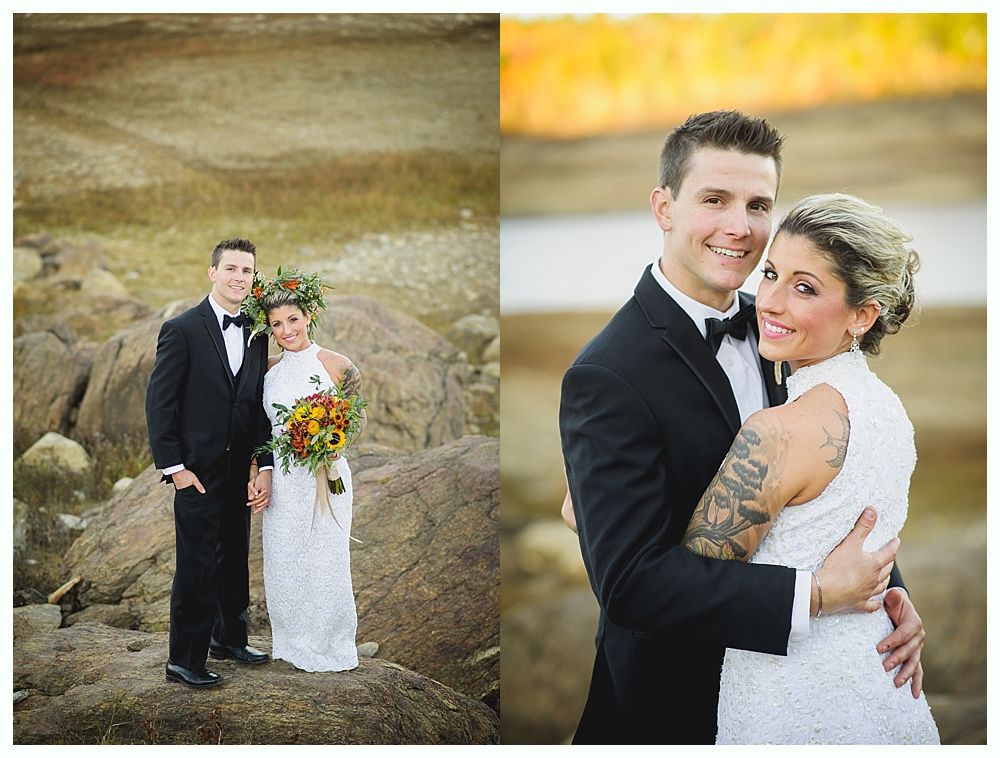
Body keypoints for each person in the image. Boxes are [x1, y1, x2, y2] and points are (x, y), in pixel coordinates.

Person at [558, 111, 926, 744]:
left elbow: (826, 495)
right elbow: (629, 586)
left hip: (791, 682)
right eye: (715, 199)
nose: (740, 226)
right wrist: (812, 596)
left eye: (759, 204)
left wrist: (886, 590)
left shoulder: (784, 322)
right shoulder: (608, 374)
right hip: (670, 699)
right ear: (664, 207)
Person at [684, 193, 938, 743]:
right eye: (771, 273)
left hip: (786, 693)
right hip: (881, 680)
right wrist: (897, 593)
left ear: (863, 315)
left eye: (805, 288)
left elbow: (689, 584)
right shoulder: (892, 413)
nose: (768, 301)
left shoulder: (779, 432)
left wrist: (591, 506)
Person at [146, 237, 274, 689]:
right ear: (213, 273)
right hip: (195, 473)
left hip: (238, 469)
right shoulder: (181, 329)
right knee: (197, 565)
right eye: (233, 269)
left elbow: (258, 405)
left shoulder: (257, 333)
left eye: (248, 271)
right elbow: (159, 404)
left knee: (234, 557)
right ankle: (184, 660)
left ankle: (230, 638)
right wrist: (175, 468)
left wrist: (263, 464)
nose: (240, 278)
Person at [251, 287, 366, 672]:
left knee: (326, 558)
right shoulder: (267, 370)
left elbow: (357, 419)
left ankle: (331, 643)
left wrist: (330, 444)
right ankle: (290, 641)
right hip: (283, 481)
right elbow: (258, 430)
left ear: (308, 317)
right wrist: (258, 470)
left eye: (293, 320)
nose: (286, 331)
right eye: (277, 324)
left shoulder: (337, 365)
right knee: (284, 558)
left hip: (326, 474)